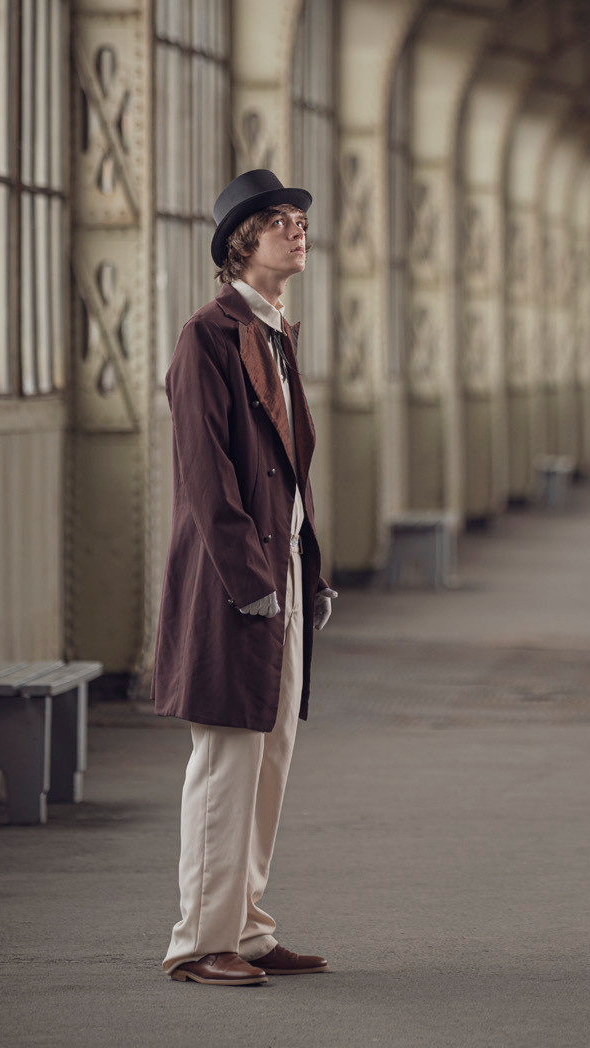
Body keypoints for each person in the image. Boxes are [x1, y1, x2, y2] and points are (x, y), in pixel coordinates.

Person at [153, 167, 337, 987]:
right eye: (281, 221)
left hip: (280, 575)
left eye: (300, 220)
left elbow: (286, 472)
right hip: (238, 581)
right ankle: (199, 940)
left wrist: (308, 567)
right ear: (241, 242)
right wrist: (248, 578)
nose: (299, 231)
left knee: (271, 754)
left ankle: (248, 927)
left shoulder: (275, 332)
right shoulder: (208, 336)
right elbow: (206, 473)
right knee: (227, 757)